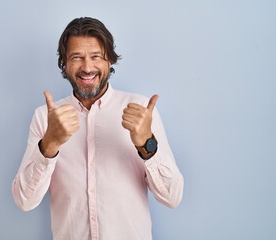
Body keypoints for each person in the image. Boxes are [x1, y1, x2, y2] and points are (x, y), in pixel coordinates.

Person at [12, 17, 184, 240]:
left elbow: (172, 197)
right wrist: (49, 145)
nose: (87, 67)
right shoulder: (45, 117)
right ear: (64, 63)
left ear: (110, 61)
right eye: (76, 57)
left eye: (96, 57)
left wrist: (147, 144)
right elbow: (24, 201)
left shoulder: (141, 111)